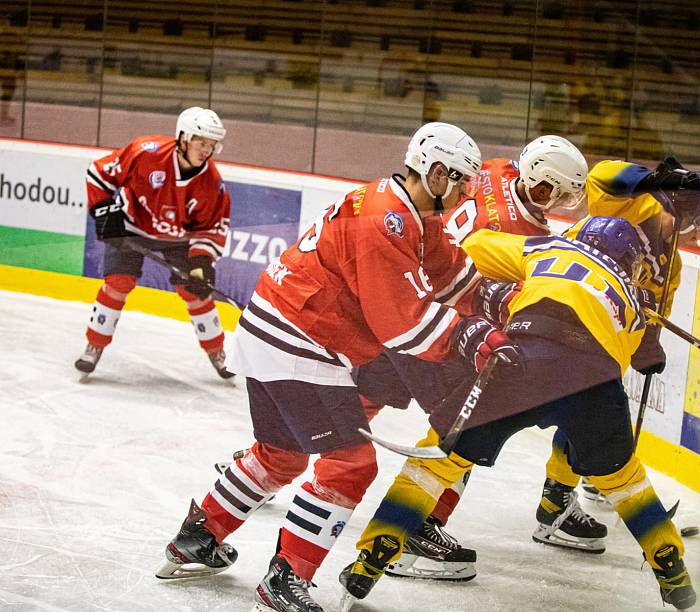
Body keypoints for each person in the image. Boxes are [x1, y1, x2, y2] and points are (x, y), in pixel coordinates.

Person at [156, 122, 520, 612]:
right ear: (436, 174)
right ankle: (286, 577)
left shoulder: (409, 212)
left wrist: (498, 300)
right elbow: (403, 327)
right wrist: (473, 336)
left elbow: (447, 271)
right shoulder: (384, 221)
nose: (462, 196)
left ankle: (197, 537)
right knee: (352, 464)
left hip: (278, 331)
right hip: (298, 343)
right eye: (458, 183)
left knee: (279, 455)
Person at [340, 216, 699, 611]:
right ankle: (670, 566)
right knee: (626, 482)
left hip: (522, 359)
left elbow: (475, 245)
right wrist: (649, 344)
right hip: (595, 382)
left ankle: (375, 552)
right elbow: (633, 357)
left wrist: (512, 289)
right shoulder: (631, 299)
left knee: (436, 463)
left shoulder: (549, 248)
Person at [347, 136, 609, 584]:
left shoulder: (494, 170)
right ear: (536, 179)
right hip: (449, 330)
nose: (557, 203)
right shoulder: (531, 237)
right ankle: (418, 526)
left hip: (401, 300)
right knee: (465, 430)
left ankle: (271, 455)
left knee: (362, 398)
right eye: (554, 191)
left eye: (565, 195)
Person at [571, 156, 700, 502]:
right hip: (561, 309)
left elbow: (652, 314)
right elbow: (599, 176)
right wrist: (656, 179)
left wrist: (648, 344)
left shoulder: (672, 265)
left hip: (596, 336)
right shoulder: (633, 206)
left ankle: (569, 489)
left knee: (589, 409)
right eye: (694, 228)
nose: (688, 239)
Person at [74, 107, 233, 380]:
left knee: (196, 291)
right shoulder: (145, 153)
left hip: (178, 240)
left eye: (211, 144)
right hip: (132, 227)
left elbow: (209, 230)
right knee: (117, 283)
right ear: (183, 138)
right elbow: (98, 174)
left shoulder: (212, 184)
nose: (206, 149)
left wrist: (200, 263)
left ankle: (217, 351)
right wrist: (105, 215)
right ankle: (94, 345)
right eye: (200, 141)